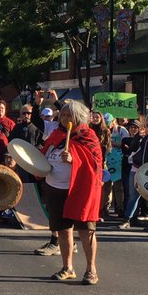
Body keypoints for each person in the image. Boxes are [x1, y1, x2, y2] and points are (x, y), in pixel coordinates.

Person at [39, 101, 103, 285]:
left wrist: (74, 158)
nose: (65, 118)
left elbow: (94, 163)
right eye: (64, 115)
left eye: (70, 115)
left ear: (79, 117)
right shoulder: (56, 134)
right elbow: (44, 153)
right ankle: (67, 267)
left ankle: (91, 269)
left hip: (80, 190)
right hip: (55, 188)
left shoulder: (88, 136)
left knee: (86, 230)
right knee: (62, 229)